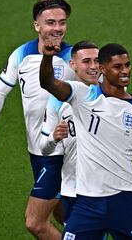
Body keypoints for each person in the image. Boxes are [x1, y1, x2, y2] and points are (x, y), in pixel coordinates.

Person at [40, 41, 132, 239]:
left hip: (125, 200)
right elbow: (49, 83)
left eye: (127, 65)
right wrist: (47, 57)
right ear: (102, 69)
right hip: (87, 203)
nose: (125, 71)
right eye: (118, 67)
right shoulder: (83, 95)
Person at [0, 0, 74, 239]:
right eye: (50, 22)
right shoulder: (21, 55)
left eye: (62, 22)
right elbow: (0, 91)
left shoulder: (75, 57)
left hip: (62, 152)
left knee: (36, 222)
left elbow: (105, 87)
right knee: (63, 214)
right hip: (37, 149)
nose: (57, 28)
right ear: (37, 26)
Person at [39, 40, 100, 224]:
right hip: (73, 190)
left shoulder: (112, 95)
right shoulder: (57, 101)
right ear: (73, 65)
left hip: (105, 187)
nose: (93, 66)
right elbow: (44, 148)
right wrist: (54, 137)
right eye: (86, 61)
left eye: (97, 61)